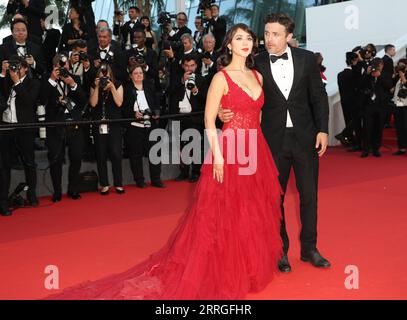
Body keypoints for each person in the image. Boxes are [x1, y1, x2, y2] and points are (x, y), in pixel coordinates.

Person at [45, 23, 283, 300]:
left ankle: (250, 267)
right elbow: (208, 120)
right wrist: (218, 157)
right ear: (228, 45)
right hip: (229, 152)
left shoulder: (258, 76)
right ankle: (227, 268)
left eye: (249, 38)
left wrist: (258, 145)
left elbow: (259, 115)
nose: (245, 42)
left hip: (255, 150)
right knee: (226, 214)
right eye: (238, 38)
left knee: (252, 211)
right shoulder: (221, 77)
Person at [220, 13, 331, 272]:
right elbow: (232, 86)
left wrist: (323, 130)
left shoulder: (306, 59)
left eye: (276, 34)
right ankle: (280, 250)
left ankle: (309, 249)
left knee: (309, 196)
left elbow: (319, 97)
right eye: (266, 33)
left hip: (305, 138)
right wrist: (220, 112)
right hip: (271, 141)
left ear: (289, 36)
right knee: (274, 199)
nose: (268, 39)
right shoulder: (254, 62)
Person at [123, 64, 165, 188]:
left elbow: (156, 103)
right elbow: (122, 108)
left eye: (140, 73)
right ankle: (139, 180)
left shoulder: (149, 86)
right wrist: (133, 113)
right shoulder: (126, 89)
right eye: (135, 73)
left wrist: (157, 112)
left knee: (155, 153)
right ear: (130, 76)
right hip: (134, 125)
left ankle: (156, 179)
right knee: (135, 154)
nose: (138, 75)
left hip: (150, 124)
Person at [89, 64, 124, 195]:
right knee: (101, 154)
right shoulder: (94, 85)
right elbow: (93, 103)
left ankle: (119, 183)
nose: (104, 77)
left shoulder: (118, 84)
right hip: (99, 124)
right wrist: (98, 87)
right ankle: (104, 184)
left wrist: (112, 88)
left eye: (106, 74)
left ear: (110, 75)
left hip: (114, 124)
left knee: (116, 153)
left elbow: (119, 103)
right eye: (102, 74)